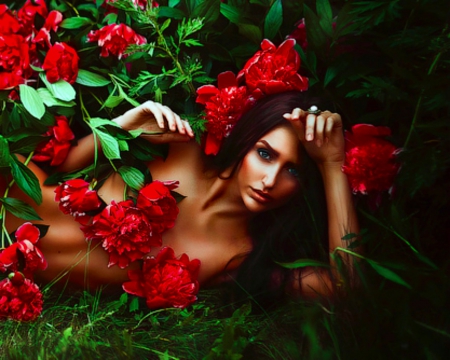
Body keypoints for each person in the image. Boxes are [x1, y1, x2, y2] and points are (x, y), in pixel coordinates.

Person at [2, 91, 358, 302]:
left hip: (12, 264)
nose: (270, 180)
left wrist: (333, 165)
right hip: (12, 187)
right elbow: (60, 170)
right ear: (247, 140)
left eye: (293, 171)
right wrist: (121, 127)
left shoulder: (240, 261)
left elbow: (348, 288)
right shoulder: (180, 147)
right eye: (265, 154)